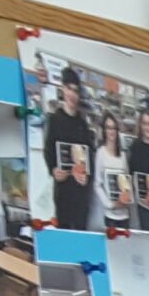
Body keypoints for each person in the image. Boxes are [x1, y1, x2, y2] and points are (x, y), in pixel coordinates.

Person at [43, 67, 97, 232]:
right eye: (69, 89)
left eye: (75, 90)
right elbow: (48, 150)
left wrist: (87, 177)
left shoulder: (83, 125)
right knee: (64, 233)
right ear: (63, 89)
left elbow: (90, 156)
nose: (72, 94)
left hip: (81, 193)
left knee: (81, 232)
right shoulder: (54, 120)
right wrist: (53, 170)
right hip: (63, 191)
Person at [96, 115, 132, 234]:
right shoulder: (101, 153)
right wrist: (110, 204)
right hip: (110, 215)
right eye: (108, 128)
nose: (111, 131)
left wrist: (127, 199)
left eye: (114, 128)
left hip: (125, 214)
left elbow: (127, 182)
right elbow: (97, 184)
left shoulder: (123, 155)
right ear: (104, 130)